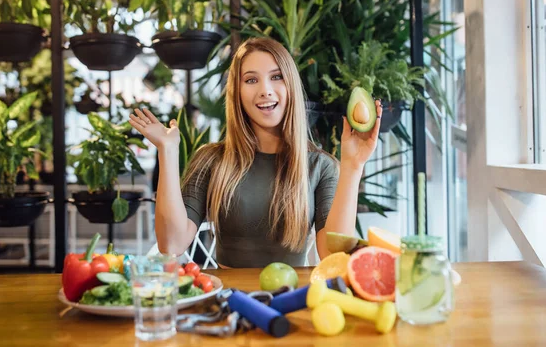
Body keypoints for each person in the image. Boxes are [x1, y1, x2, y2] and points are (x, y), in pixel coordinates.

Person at [129, 37, 382, 268]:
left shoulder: (320, 166)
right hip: (227, 302)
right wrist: (168, 150)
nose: (265, 90)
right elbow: (171, 244)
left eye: (276, 77)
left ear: (291, 86)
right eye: (251, 80)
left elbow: (331, 255)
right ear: (237, 93)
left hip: (292, 299)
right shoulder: (211, 160)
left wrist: (353, 166)